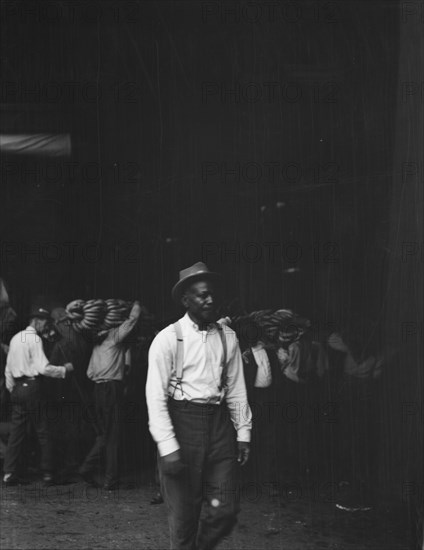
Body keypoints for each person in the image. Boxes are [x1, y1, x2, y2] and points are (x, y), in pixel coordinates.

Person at [146, 262, 252, 550]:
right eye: (202, 295)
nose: (210, 300)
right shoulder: (167, 339)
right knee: (183, 519)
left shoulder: (227, 336)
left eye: (212, 294)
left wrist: (243, 433)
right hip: (182, 424)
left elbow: (237, 389)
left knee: (225, 509)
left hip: (219, 428)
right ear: (186, 300)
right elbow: (155, 398)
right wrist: (168, 446)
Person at [2, 307, 74, 485]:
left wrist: (14, 389)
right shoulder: (34, 339)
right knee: (43, 431)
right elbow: (43, 368)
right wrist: (64, 369)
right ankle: (48, 474)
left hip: (18, 388)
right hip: (33, 388)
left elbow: (8, 369)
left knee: (16, 434)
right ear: (36, 321)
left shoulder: (16, 338)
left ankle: (9, 474)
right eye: (45, 322)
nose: (46, 326)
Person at [78, 300, 141, 490]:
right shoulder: (114, 337)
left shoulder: (97, 345)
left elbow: (89, 373)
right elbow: (132, 320)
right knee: (112, 435)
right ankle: (109, 479)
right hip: (111, 389)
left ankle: (88, 469)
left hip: (97, 390)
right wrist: (136, 303)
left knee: (104, 434)